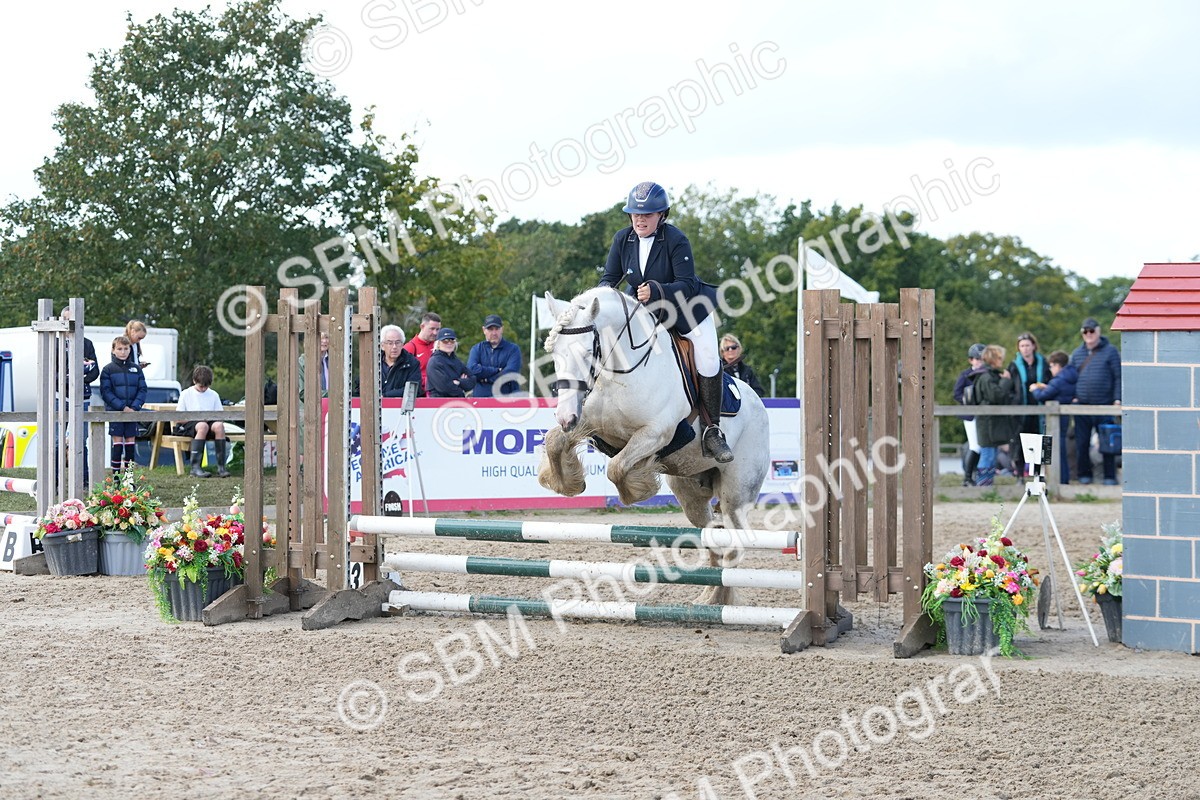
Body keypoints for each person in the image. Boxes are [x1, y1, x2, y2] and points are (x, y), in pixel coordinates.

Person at [599, 180, 733, 462]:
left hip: (688, 310)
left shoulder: (675, 239)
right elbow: (608, 281)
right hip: (649, 314)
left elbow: (685, 283)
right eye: (635, 214)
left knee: (708, 357)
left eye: (647, 214)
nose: (640, 219)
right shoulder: (623, 240)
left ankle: (712, 429)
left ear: (661, 215)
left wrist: (656, 289)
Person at [1069, 317, 1122, 485]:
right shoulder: (1077, 354)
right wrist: (1072, 396)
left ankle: (1109, 476)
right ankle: (1084, 476)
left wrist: (1117, 399)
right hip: (1082, 406)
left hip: (1104, 405)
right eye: (1085, 331)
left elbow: (1118, 376)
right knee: (1082, 443)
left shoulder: (1111, 351)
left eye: (1092, 331)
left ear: (1098, 332)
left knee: (1107, 443)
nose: (1089, 334)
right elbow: (1070, 378)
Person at [59, 306, 100, 485]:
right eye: (67, 319)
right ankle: (56, 479)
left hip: (82, 396)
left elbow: (94, 370)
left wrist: (80, 379)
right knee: (57, 441)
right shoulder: (55, 342)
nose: (71, 323)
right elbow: (52, 371)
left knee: (80, 440)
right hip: (59, 397)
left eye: (73, 319)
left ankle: (83, 480)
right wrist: (67, 380)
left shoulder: (87, 343)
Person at [99, 335, 147, 474]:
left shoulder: (136, 369)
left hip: (132, 412)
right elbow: (106, 392)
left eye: (126, 348)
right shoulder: (108, 369)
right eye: (119, 349)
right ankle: (116, 478)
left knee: (131, 444)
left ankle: (129, 478)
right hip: (116, 412)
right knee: (118, 443)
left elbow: (142, 389)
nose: (123, 351)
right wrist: (122, 407)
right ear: (113, 350)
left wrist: (134, 407)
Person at [1007, 331, 1052, 478]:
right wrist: (1015, 400)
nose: (1025, 348)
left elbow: (1050, 382)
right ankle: (1020, 475)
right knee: (1020, 442)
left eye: (1027, 345)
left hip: (1039, 409)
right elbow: (1009, 388)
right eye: (1022, 346)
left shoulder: (1043, 363)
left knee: (1040, 441)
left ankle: (1039, 474)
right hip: (1021, 410)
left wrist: (1043, 387)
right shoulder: (1013, 365)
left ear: (1033, 346)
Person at [972, 345, 1018, 487]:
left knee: (990, 454)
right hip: (987, 423)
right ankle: (983, 485)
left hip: (990, 423)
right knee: (987, 454)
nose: (1001, 361)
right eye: (999, 358)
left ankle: (987, 483)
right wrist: (1005, 381)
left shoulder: (989, 375)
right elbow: (996, 396)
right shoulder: (986, 377)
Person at [1031, 350, 1078, 485]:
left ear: (1058, 365)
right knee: (1060, 447)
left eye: (1052, 366)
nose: (1051, 369)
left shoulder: (1059, 380)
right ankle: (1063, 478)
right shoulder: (1070, 376)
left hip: (1054, 420)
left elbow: (1042, 396)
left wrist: (1035, 389)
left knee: (1054, 449)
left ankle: (1058, 480)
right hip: (1064, 419)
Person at [175, 365, 230, 478]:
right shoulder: (186, 394)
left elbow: (220, 416)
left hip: (209, 422)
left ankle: (221, 467)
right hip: (189, 425)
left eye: (206, 386)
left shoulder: (214, 395)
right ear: (194, 381)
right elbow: (178, 418)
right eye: (201, 386)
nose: (204, 389)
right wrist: (197, 418)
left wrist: (211, 419)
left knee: (219, 426)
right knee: (202, 426)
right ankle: (195, 467)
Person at [953, 343, 988, 486]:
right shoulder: (965, 374)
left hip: (984, 415)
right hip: (970, 415)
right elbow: (957, 393)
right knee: (975, 446)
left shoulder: (987, 375)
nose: (979, 361)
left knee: (981, 446)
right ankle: (967, 477)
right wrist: (968, 400)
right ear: (971, 360)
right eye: (976, 359)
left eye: (981, 359)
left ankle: (973, 474)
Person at [467, 315, 522, 397]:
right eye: (490, 329)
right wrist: (496, 370)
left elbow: (510, 373)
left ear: (502, 329)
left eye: (497, 329)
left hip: (507, 400)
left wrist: (486, 379)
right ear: (484, 330)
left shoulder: (513, 349)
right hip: (481, 401)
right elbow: (471, 369)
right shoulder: (477, 349)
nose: (494, 333)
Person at [426, 328, 476, 398]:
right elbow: (444, 388)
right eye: (445, 341)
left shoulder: (457, 361)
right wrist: (462, 388)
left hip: (458, 403)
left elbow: (472, 380)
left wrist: (458, 382)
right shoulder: (434, 361)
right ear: (438, 344)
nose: (449, 343)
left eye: (452, 340)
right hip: (439, 404)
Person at [380, 324, 423, 399]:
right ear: (382, 346)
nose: (394, 347)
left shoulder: (412, 363)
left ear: (403, 344)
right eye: (390, 343)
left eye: (398, 342)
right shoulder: (373, 363)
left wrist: (385, 396)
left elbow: (413, 389)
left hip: (400, 407)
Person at [402, 312, 441, 393]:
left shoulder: (439, 346)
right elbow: (403, 376)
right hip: (419, 396)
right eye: (432, 329)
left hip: (437, 394)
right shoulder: (410, 348)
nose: (435, 333)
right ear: (422, 326)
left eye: (437, 329)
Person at [298, 331, 330, 402]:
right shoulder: (302, 362)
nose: (324, 341)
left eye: (327, 337)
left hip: (333, 408)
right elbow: (303, 393)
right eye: (320, 338)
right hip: (308, 409)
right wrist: (332, 394)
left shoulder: (335, 361)